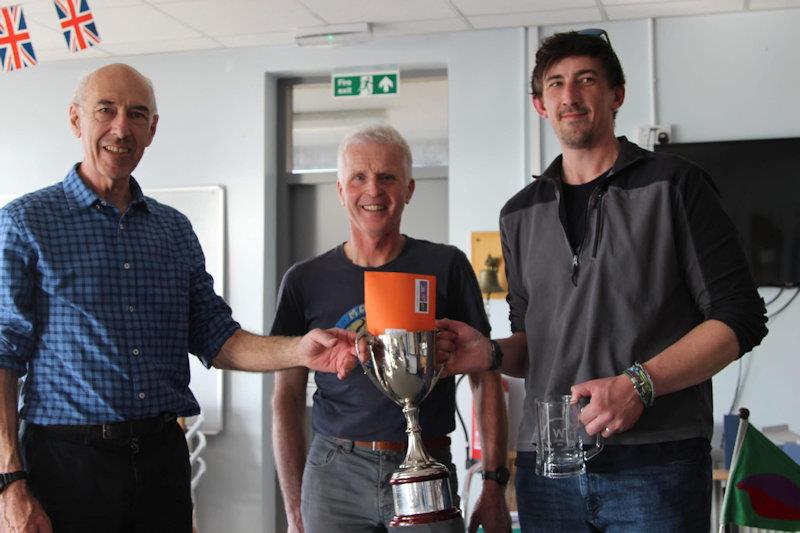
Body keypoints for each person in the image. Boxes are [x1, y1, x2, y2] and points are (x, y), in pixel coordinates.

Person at [0, 63, 358, 533]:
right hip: (66, 467)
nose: (120, 128)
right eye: (105, 110)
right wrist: (10, 482)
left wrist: (300, 350)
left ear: (152, 130)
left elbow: (217, 337)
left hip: (160, 461)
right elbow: (3, 355)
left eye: (137, 114)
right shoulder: (26, 224)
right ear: (76, 120)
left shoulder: (174, 230)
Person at [436, 29, 768, 532]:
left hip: (658, 464)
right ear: (540, 104)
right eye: (556, 84)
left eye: (586, 80)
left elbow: (740, 318)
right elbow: (537, 344)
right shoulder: (519, 215)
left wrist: (640, 385)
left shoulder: (675, 185)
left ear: (616, 95)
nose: (570, 95)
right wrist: (491, 353)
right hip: (547, 471)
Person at [271, 124, 511, 533]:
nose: (373, 191)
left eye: (387, 177)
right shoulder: (303, 281)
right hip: (334, 474)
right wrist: (295, 511)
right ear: (340, 190)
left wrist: (492, 484)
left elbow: (484, 378)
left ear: (409, 189)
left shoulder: (447, 266)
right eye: (359, 178)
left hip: (428, 463)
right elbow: (286, 397)